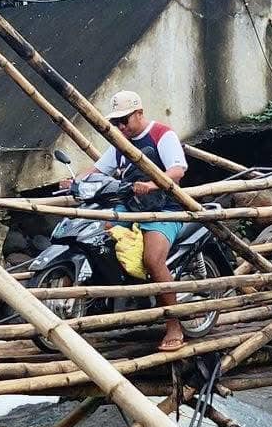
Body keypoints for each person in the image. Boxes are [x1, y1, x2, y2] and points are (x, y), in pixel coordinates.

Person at [68, 89, 189, 352]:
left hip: (165, 208)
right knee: (98, 237)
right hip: (129, 207)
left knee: (152, 259)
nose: (121, 126)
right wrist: (75, 180)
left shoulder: (162, 135)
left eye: (125, 120)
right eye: (116, 122)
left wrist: (153, 184)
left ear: (139, 113)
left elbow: (177, 171)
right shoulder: (120, 143)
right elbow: (98, 169)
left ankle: (173, 324)